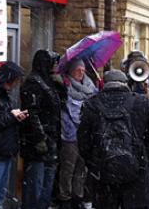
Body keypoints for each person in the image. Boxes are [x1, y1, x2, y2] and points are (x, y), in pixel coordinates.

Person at [78, 70, 149, 209]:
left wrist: (95, 163)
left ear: (104, 84)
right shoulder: (141, 102)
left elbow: (83, 142)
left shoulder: (91, 104)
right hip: (137, 175)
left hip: (104, 174)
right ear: (125, 83)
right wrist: (142, 158)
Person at [20, 50, 64, 209]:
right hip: (38, 143)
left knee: (47, 183)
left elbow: (57, 107)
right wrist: (39, 138)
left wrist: (60, 86)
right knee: (35, 185)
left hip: (51, 139)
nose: (56, 66)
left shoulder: (48, 82)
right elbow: (32, 113)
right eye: (54, 62)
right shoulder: (33, 83)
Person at [0, 62, 28, 209]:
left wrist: (15, 117)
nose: (16, 85)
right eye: (15, 80)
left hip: (5, 150)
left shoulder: (2, 94)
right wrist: (11, 116)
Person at [57, 59, 98, 209]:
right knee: (68, 168)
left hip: (85, 136)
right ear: (71, 71)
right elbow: (73, 112)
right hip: (70, 135)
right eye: (77, 70)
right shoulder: (65, 87)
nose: (81, 73)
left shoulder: (90, 87)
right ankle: (65, 198)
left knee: (81, 169)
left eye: (83, 70)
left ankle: (77, 196)